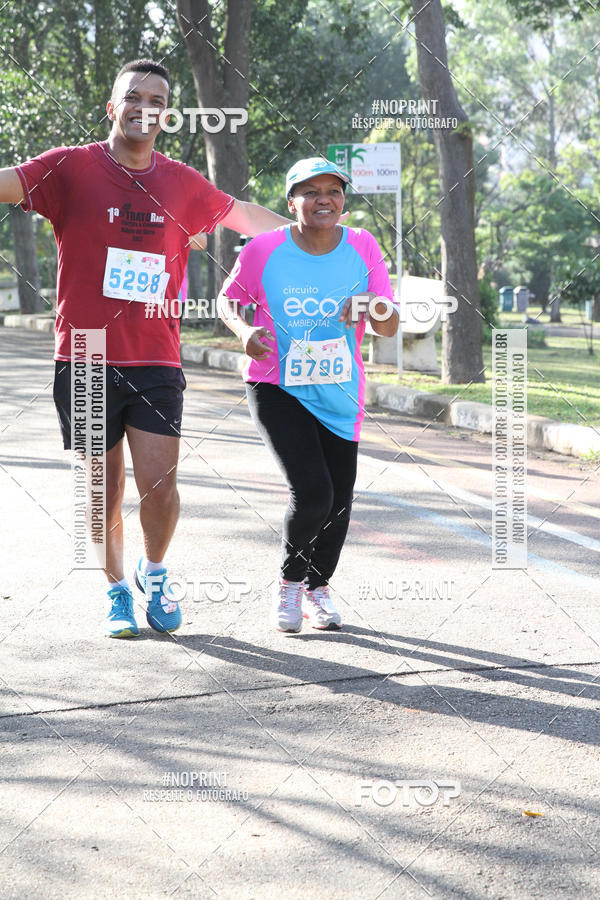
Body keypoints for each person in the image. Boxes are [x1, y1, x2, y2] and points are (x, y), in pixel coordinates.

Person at [0, 59, 292, 638]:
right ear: (113, 107)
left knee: (160, 486)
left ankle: (152, 572)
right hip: (84, 353)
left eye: (157, 100)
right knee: (101, 487)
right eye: (133, 96)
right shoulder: (69, 168)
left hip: (156, 354)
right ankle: (114, 591)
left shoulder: (182, 182)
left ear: (166, 114)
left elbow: (243, 216)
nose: (144, 107)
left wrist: (314, 241)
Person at [218, 157, 399, 633]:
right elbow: (227, 300)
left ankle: (319, 589)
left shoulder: (363, 245)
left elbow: (390, 321)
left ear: (343, 200)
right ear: (291, 200)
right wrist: (243, 331)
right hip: (276, 383)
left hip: (340, 389)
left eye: (333, 191)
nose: (324, 199)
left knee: (340, 500)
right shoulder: (263, 249)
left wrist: (371, 304)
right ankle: (290, 583)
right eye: (311, 191)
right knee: (313, 492)